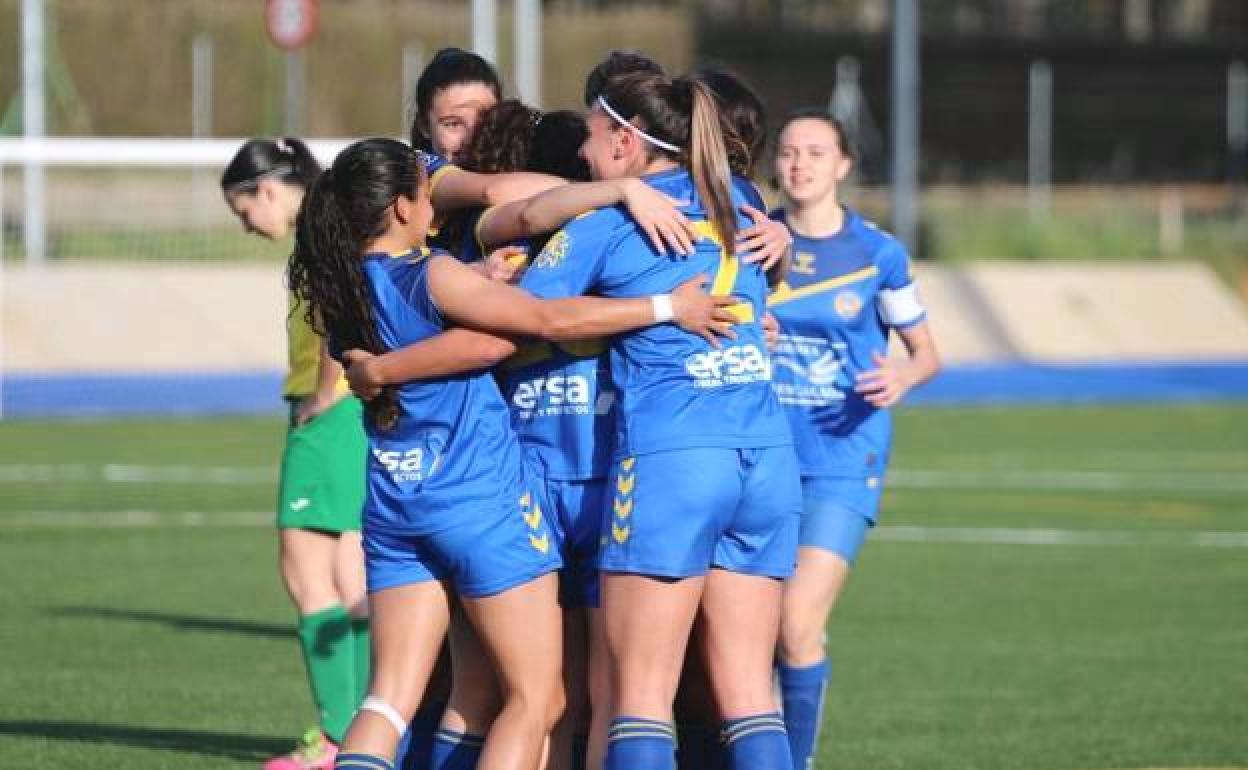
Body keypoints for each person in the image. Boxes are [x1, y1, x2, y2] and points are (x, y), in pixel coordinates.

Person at [286, 137, 739, 770]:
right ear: (399, 207)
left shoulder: (343, 289)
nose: (435, 209)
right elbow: (528, 331)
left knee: (387, 700)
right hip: (478, 500)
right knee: (535, 700)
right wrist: (668, 307)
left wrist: (465, 292)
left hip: (394, 502)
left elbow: (425, 330)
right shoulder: (431, 271)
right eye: (426, 193)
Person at [516, 72, 803, 770]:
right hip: (765, 459)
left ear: (624, 139)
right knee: (749, 696)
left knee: (640, 697)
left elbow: (527, 318)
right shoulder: (742, 202)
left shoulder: (608, 226)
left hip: (674, 461)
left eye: (589, 134)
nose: (583, 152)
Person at [767, 110, 941, 770]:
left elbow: (927, 354)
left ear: (843, 165)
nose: (799, 164)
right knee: (748, 635)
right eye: (787, 152)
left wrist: (904, 370)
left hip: (844, 459)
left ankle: (796, 761)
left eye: (815, 152)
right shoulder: (754, 244)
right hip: (761, 459)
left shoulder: (876, 255)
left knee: (794, 624)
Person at [221, 137, 368, 770]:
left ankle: (338, 738)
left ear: (269, 189)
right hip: (357, 414)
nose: (245, 223)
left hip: (332, 418)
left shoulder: (318, 232)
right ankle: (371, 735)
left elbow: (341, 310)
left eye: (241, 208)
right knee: (350, 578)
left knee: (305, 571)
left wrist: (323, 394)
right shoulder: (336, 219)